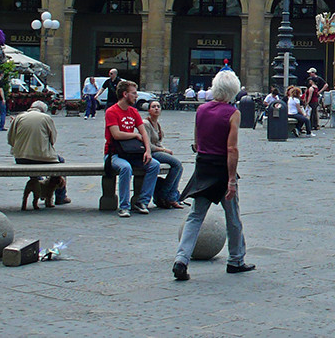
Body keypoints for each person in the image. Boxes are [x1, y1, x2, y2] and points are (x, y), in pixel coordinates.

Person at [173, 68, 254, 280]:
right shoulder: (233, 113)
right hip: (221, 167)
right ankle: (236, 259)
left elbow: (197, 142)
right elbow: (232, 148)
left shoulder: (201, 110)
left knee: (195, 216)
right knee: (233, 216)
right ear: (233, 91)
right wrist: (231, 180)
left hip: (203, 166)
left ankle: (181, 259)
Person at [104, 80, 160, 216]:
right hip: (114, 154)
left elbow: (144, 133)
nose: (136, 96)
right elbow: (116, 135)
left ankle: (143, 201)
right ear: (125, 94)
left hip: (133, 153)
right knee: (125, 168)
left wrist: (147, 151)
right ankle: (124, 206)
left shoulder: (133, 111)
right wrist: (134, 135)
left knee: (154, 165)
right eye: (133, 93)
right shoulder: (111, 112)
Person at [8, 100, 70, 205]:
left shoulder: (19, 117)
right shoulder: (46, 118)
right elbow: (53, 139)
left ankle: (40, 187)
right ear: (43, 111)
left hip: (21, 158)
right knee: (60, 161)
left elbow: (10, 139)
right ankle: (60, 196)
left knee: (31, 163)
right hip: (42, 156)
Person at [145, 101, 185, 208]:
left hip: (158, 151)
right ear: (149, 110)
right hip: (151, 152)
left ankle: (171, 197)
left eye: (158, 106)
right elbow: (147, 144)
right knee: (176, 164)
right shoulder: (146, 124)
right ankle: (165, 195)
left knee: (179, 167)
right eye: (153, 107)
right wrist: (164, 150)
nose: (156, 108)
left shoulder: (157, 124)